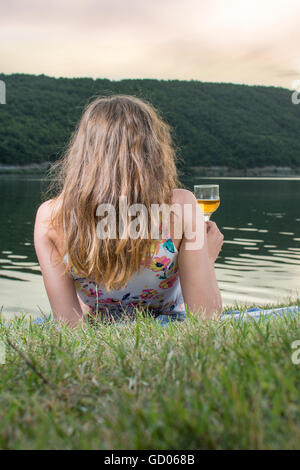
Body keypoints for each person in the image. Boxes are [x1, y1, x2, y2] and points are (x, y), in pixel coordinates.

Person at [34, 95, 224, 327]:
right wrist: (208, 258)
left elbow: (68, 324)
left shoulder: (51, 217)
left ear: (83, 153)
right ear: (153, 152)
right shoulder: (182, 206)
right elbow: (207, 317)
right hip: (168, 321)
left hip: (100, 323)